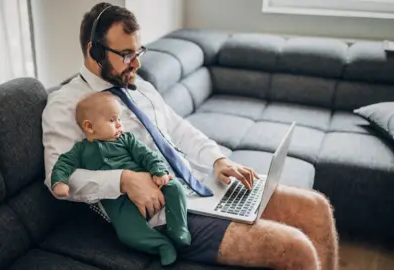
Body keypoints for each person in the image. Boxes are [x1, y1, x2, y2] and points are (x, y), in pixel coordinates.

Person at [42, 2, 339, 270]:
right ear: (95, 51)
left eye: (139, 51)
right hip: (159, 214)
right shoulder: (65, 104)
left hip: (200, 184)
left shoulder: (139, 85)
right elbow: (57, 176)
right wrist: (123, 179)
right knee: (295, 249)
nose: (137, 63)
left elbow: (178, 129)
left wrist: (218, 159)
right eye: (127, 54)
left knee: (317, 209)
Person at [50, 92, 190, 265]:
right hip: (117, 201)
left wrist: (158, 171)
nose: (120, 125)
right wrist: (60, 182)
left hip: (148, 181)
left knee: (175, 187)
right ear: (89, 127)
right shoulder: (80, 150)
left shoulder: (127, 139)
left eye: (119, 120)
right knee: (127, 233)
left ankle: (179, 229)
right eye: (112, 120)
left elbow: (147, 155)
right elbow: (62, 164)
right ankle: (161, 245)